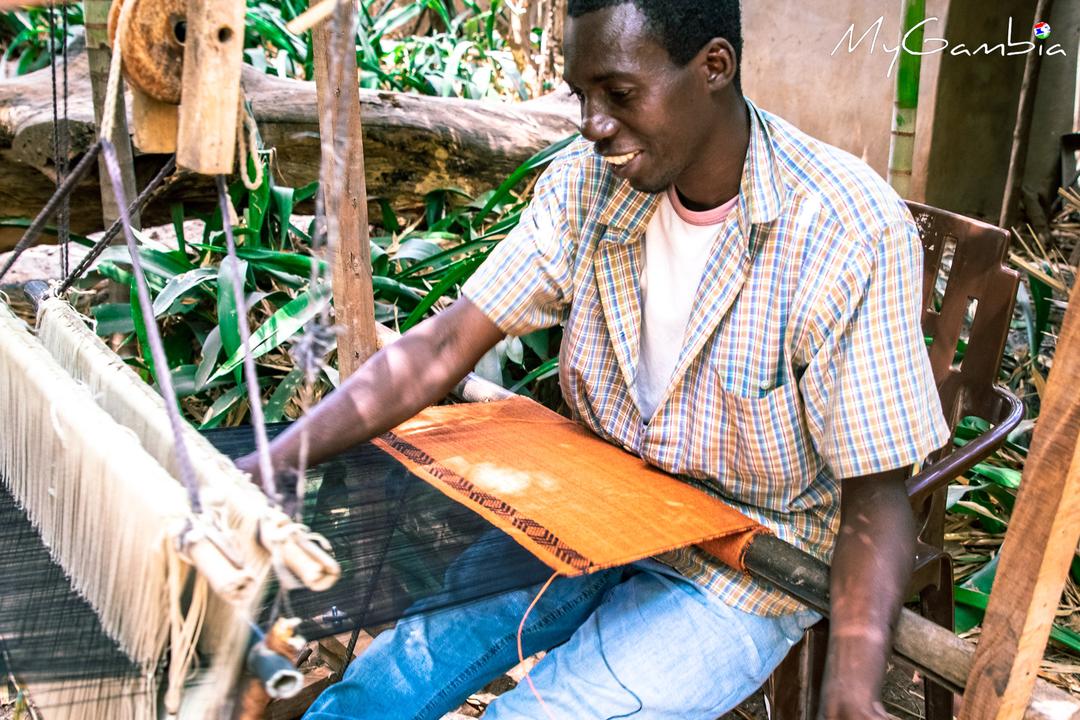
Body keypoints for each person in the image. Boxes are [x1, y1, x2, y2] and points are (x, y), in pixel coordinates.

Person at [238, 1, 950, 717]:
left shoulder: (842, 228)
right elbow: (445, 344)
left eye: (618, 93)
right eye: (581, 95)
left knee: (541, 713)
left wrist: (852, 688)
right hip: (604, 502)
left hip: (750, 558)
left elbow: (877, 490)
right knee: (399, 671)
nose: (592, 123)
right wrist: (274, 459)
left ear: (713, 67)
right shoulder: (589, 184)